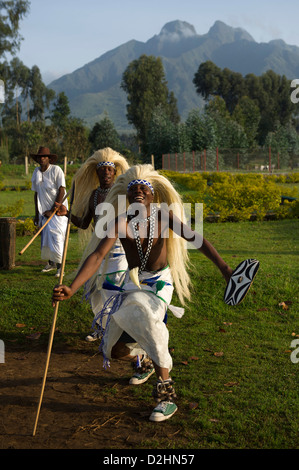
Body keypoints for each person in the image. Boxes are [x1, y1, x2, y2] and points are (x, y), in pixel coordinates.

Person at [52, 164, 233, 422]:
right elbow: (97, 255)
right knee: (113, 349)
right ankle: (144, 356)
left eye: (143, 189)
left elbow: (198, 240)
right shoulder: (120, 223)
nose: (138, 192)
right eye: (133, 189)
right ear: (126, 197)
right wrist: (72, 288)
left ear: (152, 195)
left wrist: (225, 269)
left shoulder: (164, 217)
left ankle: (166, 395)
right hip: (134, 282)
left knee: (145, 316)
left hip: (159, 284)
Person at [55, 148, 132, 344]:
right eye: (102, 170)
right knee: (95, 291)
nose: (106, 173)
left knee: (114, 287)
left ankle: (118, 331)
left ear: (115, 172)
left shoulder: (123, 193)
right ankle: (101, 325)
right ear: (96, 173)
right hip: (97, 247)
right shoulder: (93, 195)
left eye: (109, 169)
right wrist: (66, 214)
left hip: (117, 247)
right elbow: (83, 223)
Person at [31, 146, 68, 278]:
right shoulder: (36, 172)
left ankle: (60, 268)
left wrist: (53, 210)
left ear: (49, 158)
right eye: (40, 157)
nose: (42, 159)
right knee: (46, 239)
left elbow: (62, 190)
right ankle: (51, 264)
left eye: (44, 156)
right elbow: (36, 194)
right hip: (43, 212)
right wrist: (36, 214)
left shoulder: (56, 170)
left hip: (58, 212)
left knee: (57, 238)